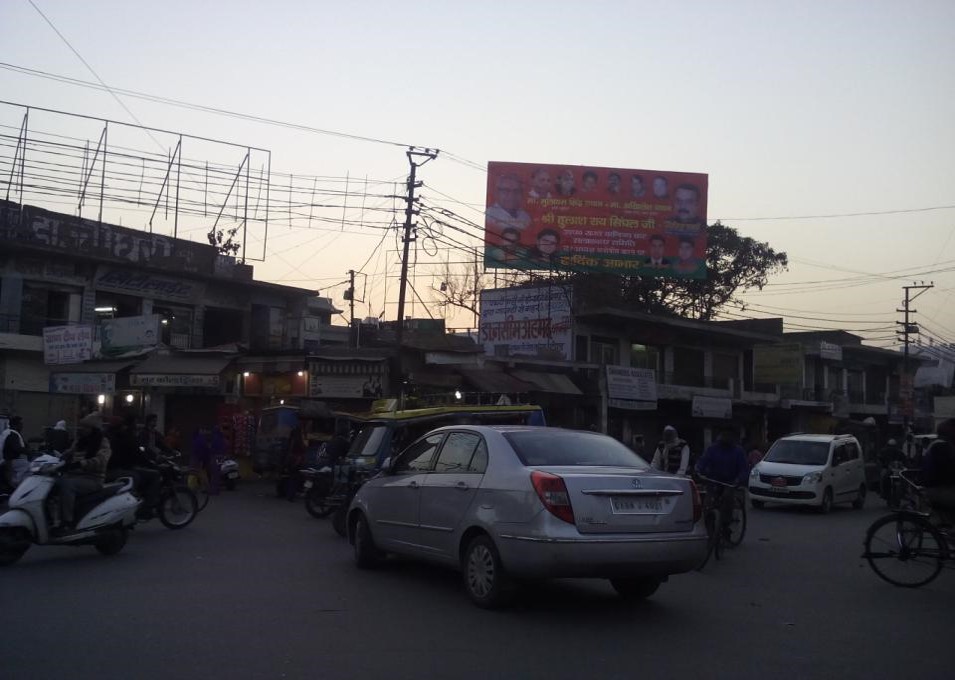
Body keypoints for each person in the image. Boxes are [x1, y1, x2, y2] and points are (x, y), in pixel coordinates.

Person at [57, 412, 111, 530]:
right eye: (82, 426)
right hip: (75, 476)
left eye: (86, 427)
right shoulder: (80, 441)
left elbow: (101, 460)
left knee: (67, 485)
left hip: (92, 479)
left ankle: (67, 521)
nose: (82, 429)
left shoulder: (102, 442)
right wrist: (58, 458)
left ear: (93, 429)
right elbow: (69, 452)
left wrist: (82, 464)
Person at [696, 427, 750, 535]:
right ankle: (708, 524)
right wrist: (698, 471)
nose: (725, 437)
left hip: (730, 482)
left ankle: (726, 525)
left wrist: (738, 480)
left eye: (728, 435)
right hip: (713, 481)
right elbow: (703, 462)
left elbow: (744, 469)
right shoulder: (712, 449)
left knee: (727, 498)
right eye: (723, 435)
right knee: (707, 502)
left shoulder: (738, 451)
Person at [108, 414, 161, 516]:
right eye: (135, 423)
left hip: (122, 465)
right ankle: (146, 508)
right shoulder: (133, 435)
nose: (137, 425)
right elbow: (139, 452)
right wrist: (152, 464)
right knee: (154, 475)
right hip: (122, 467)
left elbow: (159, 444)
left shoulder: (153, 433)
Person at [921, 419, 955, 523]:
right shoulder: (941, 446)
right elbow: (948, 470)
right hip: (939, 490)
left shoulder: (940, 445)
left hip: (940, 488)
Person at [191, 426, 222, 495]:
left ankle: (209, 489)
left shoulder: (200, 439)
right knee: (215, 474)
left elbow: (206, 450)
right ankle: (213, 489)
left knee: (198, 473)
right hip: (216, 457)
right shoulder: (218, 438)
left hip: (209, 458)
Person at [1, 415, 27, 493]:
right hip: (8, 460)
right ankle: (18, 485)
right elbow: (17, 448)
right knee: (27, 465)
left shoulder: (7, 432)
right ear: (16, 425)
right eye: (21, 424)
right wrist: (30, 452)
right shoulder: (13, 434)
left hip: (5, 459)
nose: (22, 426)